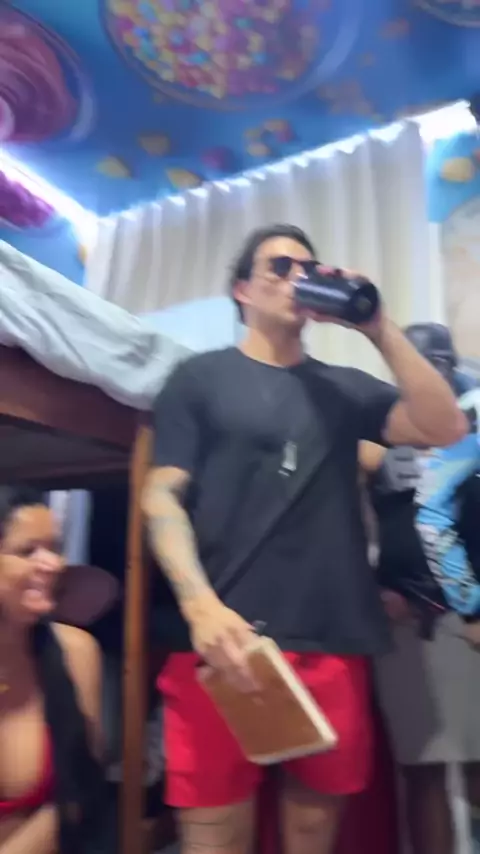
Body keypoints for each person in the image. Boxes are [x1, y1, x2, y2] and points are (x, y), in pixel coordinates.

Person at [143, 224, 466, 854]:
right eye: (280, 267)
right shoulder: (198, 378)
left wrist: (376, 326)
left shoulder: (342, 387)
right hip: (222, 645)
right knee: (214, 837)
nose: (298, 278)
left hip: (331, 644)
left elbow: (445, 426)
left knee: (314, 835)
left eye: (308, 268)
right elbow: (161, 496)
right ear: (242, 290)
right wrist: (198, 604)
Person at [362, 323, 480, 854]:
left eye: (439, 362)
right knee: (422, 768)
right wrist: (372, 592)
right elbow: (336, 524)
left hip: (471, 617)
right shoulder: (373, 437)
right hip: (406, 618)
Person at [0, 486, 116, 854]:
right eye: (28, 551)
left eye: (54, 547)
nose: (54, 563)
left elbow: (79, 793)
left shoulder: (75, 653)